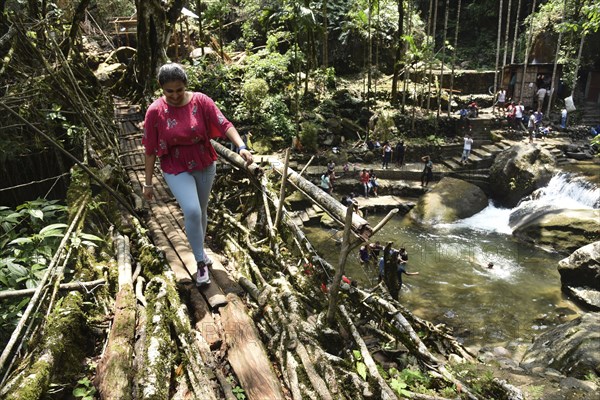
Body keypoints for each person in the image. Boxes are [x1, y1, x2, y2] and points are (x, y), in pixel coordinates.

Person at [143, 63, 253, 287]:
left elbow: (224, 124)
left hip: (203, 161)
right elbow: (149, 149)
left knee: (201, 210)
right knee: (192, 210)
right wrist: (147, 184)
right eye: (169, 91)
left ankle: (200, 249)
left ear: (185, 86)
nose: (174, 95)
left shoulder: (201, 101)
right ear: (161, 88)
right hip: (174, 165)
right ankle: (200, 262)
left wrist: (241, 146)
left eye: (179, 90)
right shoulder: (154, 111)